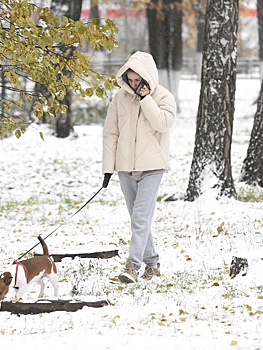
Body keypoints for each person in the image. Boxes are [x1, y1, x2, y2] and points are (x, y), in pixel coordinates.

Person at [102, 51, 177, 283]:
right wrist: (108, 168)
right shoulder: (119, 98)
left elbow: (163, 123)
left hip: (152, 167)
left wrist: (146, 99)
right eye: (131, 80)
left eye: (138, 80)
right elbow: (111, 132)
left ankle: (132, 267)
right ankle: (152, 264)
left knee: (140, 219)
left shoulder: (163, 97)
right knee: (138, 219)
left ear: (147, 78)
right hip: (126, 167)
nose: (134, 84)